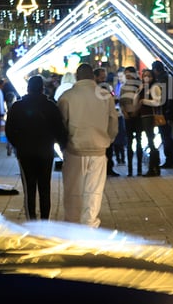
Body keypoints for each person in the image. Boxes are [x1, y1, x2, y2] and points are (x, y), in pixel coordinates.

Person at [57, 63, 119, 228]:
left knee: (72, 190)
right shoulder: (105, 95)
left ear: (77, 77)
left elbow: (61, 124)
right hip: (99, 149)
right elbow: (114, 122)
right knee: (94, 191)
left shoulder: (67, 96)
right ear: (93, 76)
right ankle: (90, 224)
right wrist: (108, 139)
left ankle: (72, 224)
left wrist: (64, 145)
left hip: (74, 150)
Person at [4, 75, 68, 220]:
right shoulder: (51, 106)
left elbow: (9, 130)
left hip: (25, 152)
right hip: (45, 152)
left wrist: (18, 145)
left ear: (28, 88)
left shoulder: (17, 106)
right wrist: (62, 145)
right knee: (45, 187)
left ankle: (31, 220)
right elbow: (59, 129)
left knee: (29, 188)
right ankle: (44, 220)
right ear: (42, 88)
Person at [93, 67, 120, 177]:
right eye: (102, 76)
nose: (103, 78)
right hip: (100, 120)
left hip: (105, 119)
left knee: (108, 147)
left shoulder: (106, 86)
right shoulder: (96, 88)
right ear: (95, 76)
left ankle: (108, 168)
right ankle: (105, 169)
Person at [151, 60, 173, 169]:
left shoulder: (161, 80)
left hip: (163, 112)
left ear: (155, 70)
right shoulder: (168, 78)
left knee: (165, 135)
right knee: (167, 135)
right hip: (167, 111)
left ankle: (171, 158)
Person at [118, 66, 143, 177]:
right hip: (127, 117)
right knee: (129, 143)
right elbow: (121, 102)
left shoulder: (140, 86)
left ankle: (139, 169)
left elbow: (142, 101)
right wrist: (125, 112)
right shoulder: (123, 87)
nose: (127, 76)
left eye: (129, 74)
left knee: (139, 141)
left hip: (138, 117)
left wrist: (136, 111)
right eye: (126, 74)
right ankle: (130, 170)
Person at [138, 67, 163, 177]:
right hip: (143, 116)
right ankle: (154, 167)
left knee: (151, 141)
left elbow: (157, 102)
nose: (146, 77)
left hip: (150, 116)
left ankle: (154, 167)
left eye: (148, 75)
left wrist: (144, 101)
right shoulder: (142, 87)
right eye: (144, 75)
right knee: (149, 141)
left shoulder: (155, 87)